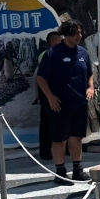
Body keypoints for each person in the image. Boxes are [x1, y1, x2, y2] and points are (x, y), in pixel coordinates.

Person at [36, 20, 94, 185]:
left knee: (76, 138)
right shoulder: (52, 54)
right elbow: (41, 78)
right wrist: (50, 97)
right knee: (59, 139)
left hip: (79, 103)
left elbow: (90, 73)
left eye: (81, 33)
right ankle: (60, 172)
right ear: (66, 34)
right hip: (59, 104)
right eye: (76, 33)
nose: (79, 36)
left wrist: (91, 87)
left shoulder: (83, 53)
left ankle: (78, 170)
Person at [36, 31, 62, 161]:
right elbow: (42, 76)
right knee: (46, 122)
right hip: (47, 94)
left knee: (62, 123)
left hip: (58, 93)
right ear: (52, 42)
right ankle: (45, 151)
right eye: (59, 40)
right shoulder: (45, 55)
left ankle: (65, 148)